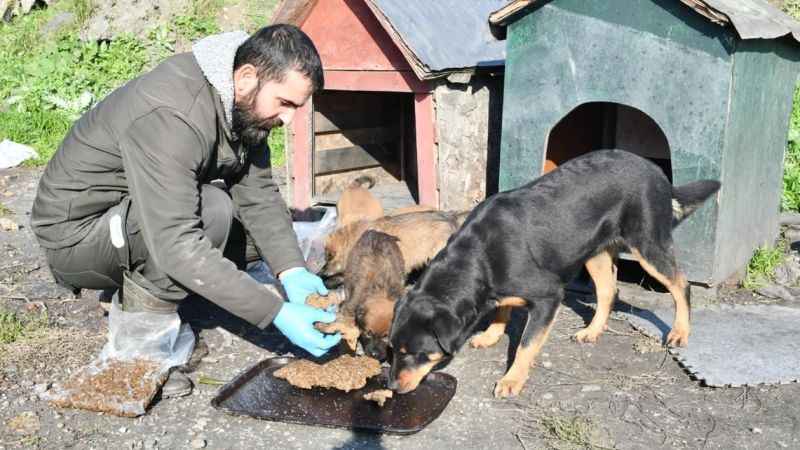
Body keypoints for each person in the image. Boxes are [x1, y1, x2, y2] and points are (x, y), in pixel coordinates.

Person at [30, 25, 341, 396]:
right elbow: (176, 243)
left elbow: (258, 193)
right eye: (285, 103)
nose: (288, 119)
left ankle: (152, 283)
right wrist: (274, 313)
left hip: (133, 215)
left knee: (251, 233)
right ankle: (141, 353)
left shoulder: (242, 105)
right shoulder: (172, 114)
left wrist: (292, 271)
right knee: (213, 212)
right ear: (246, 77)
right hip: (78, 235)